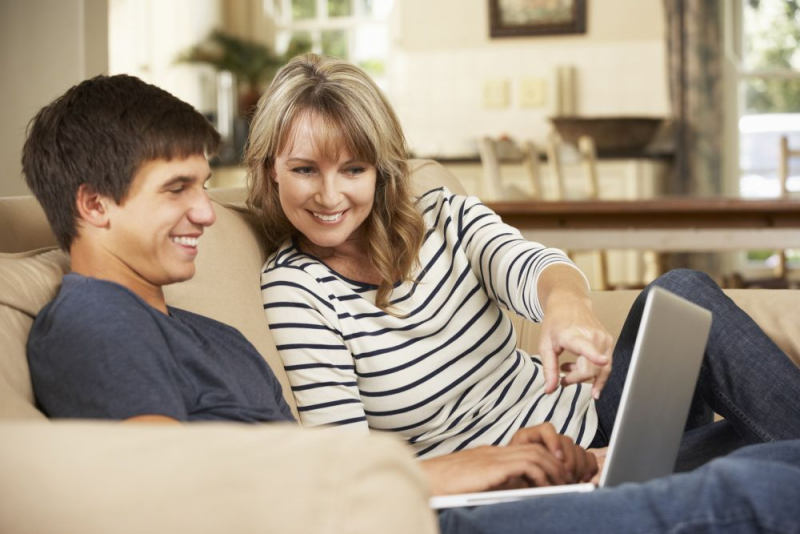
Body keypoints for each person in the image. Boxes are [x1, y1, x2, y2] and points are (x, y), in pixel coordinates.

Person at [21, 73, 800, 533]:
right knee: (763, 484)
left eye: (202, 186)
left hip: (465, 485)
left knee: (766, 455)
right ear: (94, 205)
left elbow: (310, 462)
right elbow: (180, 483)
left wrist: (561, 332)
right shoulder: (97, 321)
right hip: (419, 518)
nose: (204, 213)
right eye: (178, 190)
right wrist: (490, 466)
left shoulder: (187, 323)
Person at [247, 53, 800, 470]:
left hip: (601, 416)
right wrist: (510, 467)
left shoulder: (441, 214)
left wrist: (568, 307)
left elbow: (528, 262)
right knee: (767, 448)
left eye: (352, 170)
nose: (330, 195)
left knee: (683, 291)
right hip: (534, 475)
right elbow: (352, 470)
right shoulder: (298, 291)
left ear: (380, 169)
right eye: (304, 170)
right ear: (271, 167)